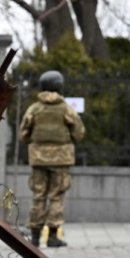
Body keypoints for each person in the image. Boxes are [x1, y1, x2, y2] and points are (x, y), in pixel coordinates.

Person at [20, 70, 85, 248]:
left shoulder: (34, 109)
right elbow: (79, 133)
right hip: (61, 160)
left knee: (38, 196)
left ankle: (34, 237)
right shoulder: (66, 109)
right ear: (59, 86)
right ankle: (53, 237)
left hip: (39, 159)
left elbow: (23, 135)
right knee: (56, 197)